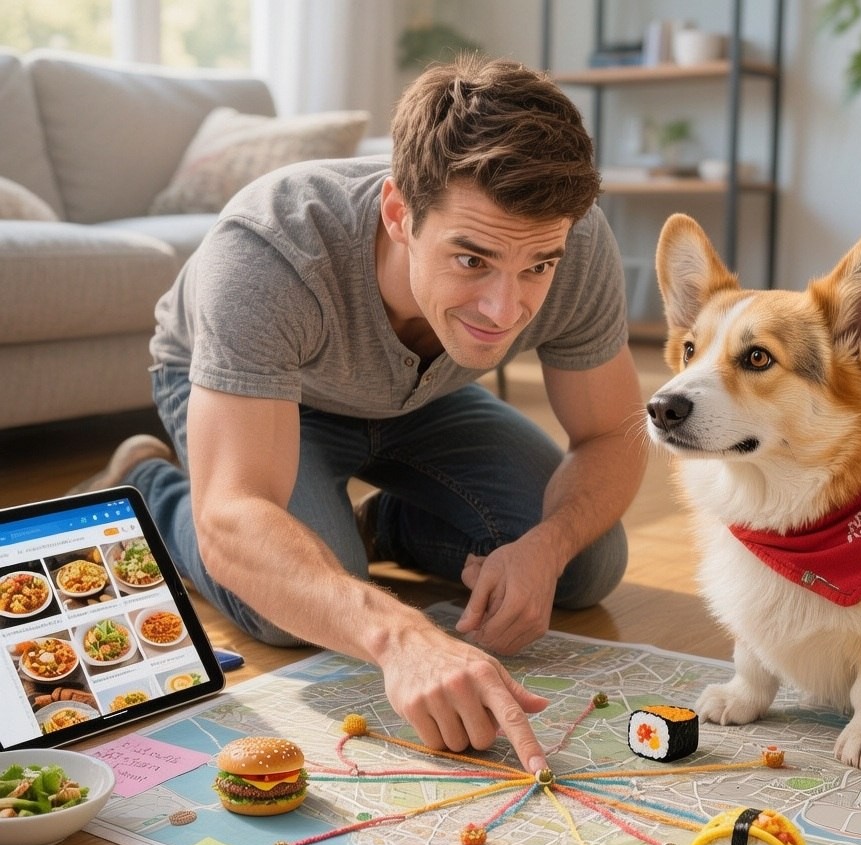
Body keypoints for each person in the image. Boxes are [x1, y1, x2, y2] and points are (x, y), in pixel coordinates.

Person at [78, 55, 646, 773]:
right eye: (472, 260)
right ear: (400, 214)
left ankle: (379, 524)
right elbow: (234, 517)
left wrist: (547, 546)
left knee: (587, 565)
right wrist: (398, 638)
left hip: (427, 394)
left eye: (536, 265)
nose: (505, 310)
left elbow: (610, 436)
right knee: (287, 615)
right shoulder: (267, 250)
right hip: (264, 399)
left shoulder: (574, 239)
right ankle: (152, 487)